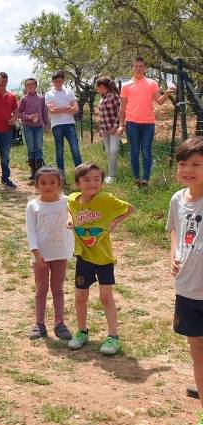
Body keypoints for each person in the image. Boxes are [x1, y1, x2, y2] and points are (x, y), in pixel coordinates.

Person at [67, 162, 135, 354]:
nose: (92, 183)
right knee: (80, 296)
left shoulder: (105, 199)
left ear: (102, 182)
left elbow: (130, 209)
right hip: (84, 257)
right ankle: (82, 332)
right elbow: (68, 207)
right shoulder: (73, 199)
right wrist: (70, 219)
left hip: (104, 258)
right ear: (77, 183)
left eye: (97, 179)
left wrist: (114, 221)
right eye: (87, 180)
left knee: (106, 297)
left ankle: (113, 337)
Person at [166, 137, 203, 425]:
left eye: (197, 164)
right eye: (183, 164)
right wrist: (173, 256)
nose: (188, 169)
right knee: (197, 349)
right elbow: (175, 232)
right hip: (188, 289)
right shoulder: (177, 199)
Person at [25, 166, 73, 340]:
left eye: (53, 182)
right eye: (43, 183)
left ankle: (59, 323)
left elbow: (76, 215)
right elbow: (31, 231)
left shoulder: (68, 202)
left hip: (60, 252)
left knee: (58, 289)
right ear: (37, 185)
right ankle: (39, 324)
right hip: (41, 255)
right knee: (41, 289)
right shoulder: (33, 206)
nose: (48, 186)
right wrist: (36, 254)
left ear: (59, 183)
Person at [117, 57, 176, 187]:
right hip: (132, 123)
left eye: (141, 66)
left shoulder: (152, 83)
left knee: (146, 151)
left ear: (145, 68)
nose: (138, 68)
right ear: (132, 68)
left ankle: (145, 180)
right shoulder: (126, 86)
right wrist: (121, 125)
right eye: (136, 66)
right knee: (134, 151)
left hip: (149, 123)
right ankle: (137, 178)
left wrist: (166, 93)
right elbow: (122, 108)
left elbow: (159, 101)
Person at [46, 71, 82, 177]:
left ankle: (80, 175)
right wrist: (67, 108)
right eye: (56, 81)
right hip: (56, 125)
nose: (58, 83)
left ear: (63, 81)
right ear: (53, 81)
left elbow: (76, 109)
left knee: (75, 150)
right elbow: (52, 110)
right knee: (59, 151)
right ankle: (61, 176)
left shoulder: (69, 92)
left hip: (69, 124)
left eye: (60, 81)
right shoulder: (48, 94)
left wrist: (60, 109)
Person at [18, 78, 49, 184]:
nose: (30, 87)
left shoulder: (41, 98)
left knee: (39, 147)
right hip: (27, 126)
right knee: (31, 148)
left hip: (39, 126)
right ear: (25, 87)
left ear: (36, 85)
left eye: (31, 85)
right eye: (27, 85)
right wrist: (29, 117)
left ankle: (39, 172)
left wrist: (46, 124)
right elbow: (19, 113)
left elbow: (44, 111)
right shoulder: (23, 99)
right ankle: (33, 171)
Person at [96, 77, 122, 184]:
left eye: (101, 87)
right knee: (108, 152)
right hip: (105, 130)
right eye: (99, 88)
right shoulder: (102, 98)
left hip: (114, 129)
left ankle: (113, 175)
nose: (99, 89)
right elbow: (102, 115)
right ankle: (110, 174)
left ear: (106, 87)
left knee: (113, 151)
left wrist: (115, 126)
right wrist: (100, 129)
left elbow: (120, 112)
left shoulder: (114, 96)